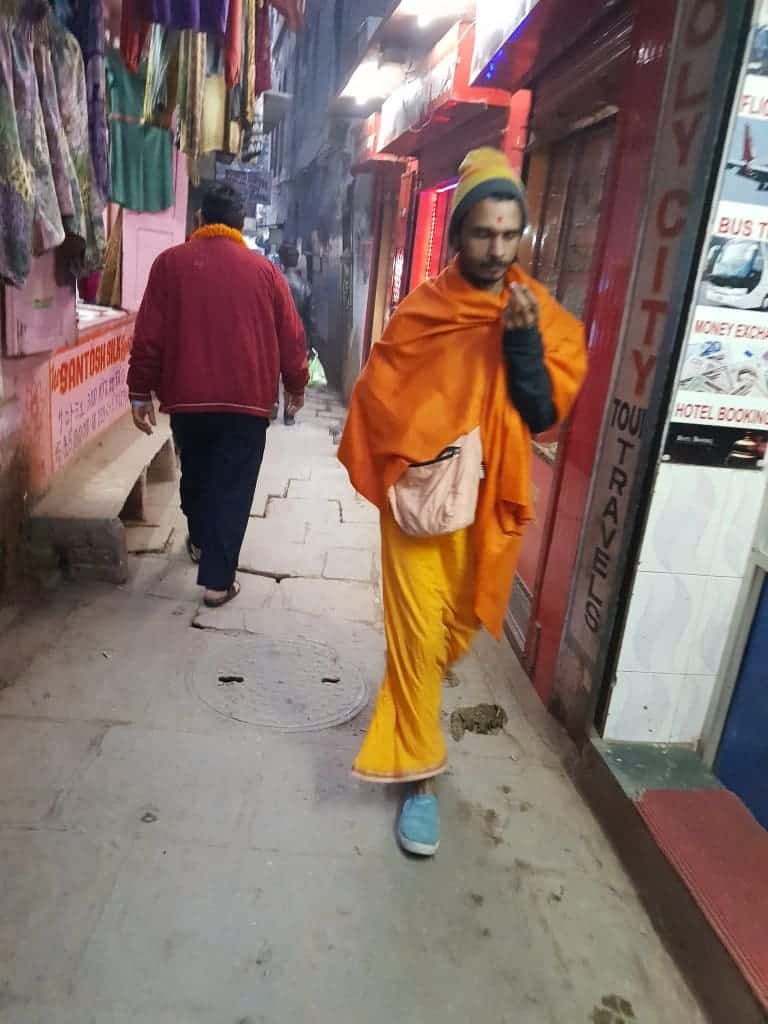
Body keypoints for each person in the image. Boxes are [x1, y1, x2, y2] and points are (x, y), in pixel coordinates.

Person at [338, 147, 588, 857]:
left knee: (456, 632)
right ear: (459, 234)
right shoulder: (423, 313)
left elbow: (541, 414)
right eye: (484, 233)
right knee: (417, 640)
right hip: (419, 508)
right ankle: (419, 777)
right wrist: (414, 451)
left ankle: (412, 703)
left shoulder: (533, 313)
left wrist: (523, 347)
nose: (497, 248)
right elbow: (376, 398)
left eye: (511, 235)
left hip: (487, 510)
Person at [127, 183, 308, 608]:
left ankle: (200, 540)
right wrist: (295, 385)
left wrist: (139, 391)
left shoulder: (170, 264)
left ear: (199, 220)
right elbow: (292, 336)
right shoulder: (265, 272)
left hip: (188, 402)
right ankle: (217, 580)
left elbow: (148, 334)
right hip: (247, 404)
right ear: (241, 226)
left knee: (197, 472)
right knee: (233, 486)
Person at [273, 242, 317, 425]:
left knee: (274, 370)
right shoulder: (305, 286)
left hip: (275, 333)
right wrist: (310, 343)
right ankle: (289, 413)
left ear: (281, 259)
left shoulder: (276, 280)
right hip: (296, 334)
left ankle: (272, 405)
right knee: (292, 371)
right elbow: (309, 317)